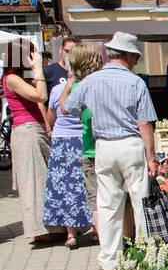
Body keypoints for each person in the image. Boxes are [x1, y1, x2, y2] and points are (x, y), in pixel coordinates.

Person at [64, 32, 158, 270]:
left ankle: (109, 259)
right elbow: (145, 124)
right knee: (140, 201)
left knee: (108, 204)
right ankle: (146, 254)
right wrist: (151, 157)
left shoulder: (92, 80)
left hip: (104, 145)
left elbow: (69, 107)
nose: (136, 60)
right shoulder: (135, 82)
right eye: (135, 56)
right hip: (130, 144)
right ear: (126, 55)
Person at [1, 39, 59, 244]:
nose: (34, 58)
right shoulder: (11, 78)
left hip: (34, 130)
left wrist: (47, 126)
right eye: (31, 54)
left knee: (44, 180)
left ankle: (52, 225)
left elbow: (40, 105)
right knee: (34, 182)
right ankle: (39, 230)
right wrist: (38, 71)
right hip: (26, 132)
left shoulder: (19, 77)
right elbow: (40, 96)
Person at [43, 63, 92, 249]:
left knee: (65, 189)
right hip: (84, 140)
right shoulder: (88, 86)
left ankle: (71, 235)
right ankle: (96, 231)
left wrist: (49, 130)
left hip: (62, 143)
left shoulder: (57, 90)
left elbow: (51, 115)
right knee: (88, 184)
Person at [60, 43, 103, 242]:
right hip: (108, 145)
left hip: (90, 149)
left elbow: (64, 109)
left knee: (95, 198)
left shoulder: (78, 86)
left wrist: (69, 85)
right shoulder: (103, 81)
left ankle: (100, 236)